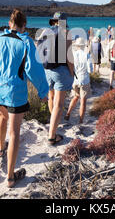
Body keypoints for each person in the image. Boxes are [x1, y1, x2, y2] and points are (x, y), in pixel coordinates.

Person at [0, 9, 49, 188]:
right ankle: (10, 177)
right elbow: (34, 70)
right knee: (15, 132)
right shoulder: (26, 42)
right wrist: (43, 92)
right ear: (24, 25)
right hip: (14, 93)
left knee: (2, 117)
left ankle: (1, 149)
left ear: (10, 23)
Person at [36, 12, 74, 145]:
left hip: (47, 70)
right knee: (59, 103)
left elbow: (38, 48)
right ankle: (52, 136)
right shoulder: (66, 33)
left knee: (51, 97)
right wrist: (72, 72)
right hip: (60, 71)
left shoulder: (46, 32)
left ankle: (53, 121)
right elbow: (69, 57)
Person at [64, 37, 93, 123]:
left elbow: (69, 67)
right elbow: (90, 70)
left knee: (75, 97)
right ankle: (80, 120)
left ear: (76, 46)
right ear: (83, 46)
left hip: (75, 80)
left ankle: (68, 113)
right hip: (84, 80)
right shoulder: (86, 55)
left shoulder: (73, 54)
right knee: (83, 100)